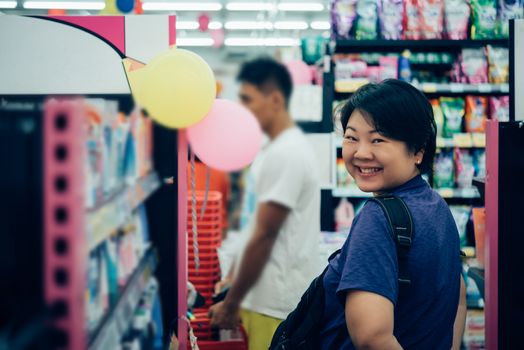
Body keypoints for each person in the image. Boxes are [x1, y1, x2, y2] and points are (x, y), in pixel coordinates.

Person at [319, 79, 466, 349]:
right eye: (351, 137)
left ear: (418, 151)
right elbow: (458, 296)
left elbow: (371, 337)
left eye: (378, 140)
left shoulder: (378, 218)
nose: (361, 153)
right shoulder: (436, 206)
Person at [209, 57, 321, 350]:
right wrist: (232, 277)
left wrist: (231, 304)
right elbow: (253, 224)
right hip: (260, 296)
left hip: (275, 304)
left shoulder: (287, 154)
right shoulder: (270, 151)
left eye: (248, 100)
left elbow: (265, 235)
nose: (243, 110)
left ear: (274, 99)